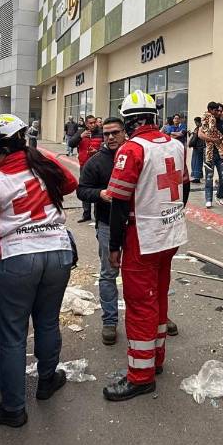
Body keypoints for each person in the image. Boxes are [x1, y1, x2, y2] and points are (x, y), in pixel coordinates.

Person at [0, 114, 78, 427]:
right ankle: (46, 381)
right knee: (47, 322)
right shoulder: (42, 164)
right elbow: (71, 183)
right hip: (58, 251)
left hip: (18, 258)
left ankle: (13, 408)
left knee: (13, 335)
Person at [103, 90, 189, 402]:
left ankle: (141, 376)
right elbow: (185, 187)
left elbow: (118, 202)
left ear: (128, 121)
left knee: (140, 304)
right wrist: (171, 216)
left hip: (143, 238)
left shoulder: (132, 149)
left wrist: (114, 245)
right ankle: (156, 358)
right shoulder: (176, 145)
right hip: (171, 235)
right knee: (159, 297)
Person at [75, 117, 126, 345]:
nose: (111, 137)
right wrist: (100, 194)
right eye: (106, 134)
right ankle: (110, 321)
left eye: (115, 132)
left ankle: (155, 318)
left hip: (136, 225)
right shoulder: (96, 162)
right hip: (107, 225)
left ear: (124, 132)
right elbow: (81, 190)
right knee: (108, 274)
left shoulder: (136, 155)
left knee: (141, 273)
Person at [74, 116, 103, 223]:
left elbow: (107, 146)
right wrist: (80, 137)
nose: (93, 124)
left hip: (98, 165)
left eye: (94, 122)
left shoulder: (101, 133)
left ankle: (97, 215)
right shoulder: (81, 132)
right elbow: (71, 143)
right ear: (86, 124)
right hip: (84, 166)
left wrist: (97, 151)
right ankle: (86, 214)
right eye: (90, 123)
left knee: (98, 190)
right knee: (85, 189)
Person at [200, 101, 223, 208]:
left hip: (220, 153)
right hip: (209, 152)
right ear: (212, 110)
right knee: (209, 177)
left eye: (221, 111)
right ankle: (208, 199)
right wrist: (213, 139)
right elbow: (200, 135)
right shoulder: (206, 120)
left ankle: (219, 196)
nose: (219, 112)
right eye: (217, 110)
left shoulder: (222, 123)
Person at [188, 116, 203, 183]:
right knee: (194, 162)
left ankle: (197, 177)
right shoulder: (197, 128)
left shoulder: (201, 128)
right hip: (196, 147)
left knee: (197, 162)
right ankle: (196, 177)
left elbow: (197, 137)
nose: (196, 123)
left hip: (199, 147)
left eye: (196, 122)